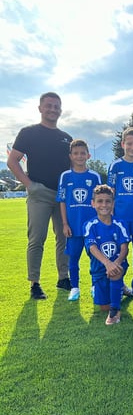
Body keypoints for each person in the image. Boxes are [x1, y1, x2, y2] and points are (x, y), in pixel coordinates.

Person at [7, 92, 73, 299]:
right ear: (40, 108)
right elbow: (12, 161)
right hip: (39, 193)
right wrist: (29, 185)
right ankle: (35, 283)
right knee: (37, 239)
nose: (53, 109)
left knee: (64, 237)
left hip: (62, 195)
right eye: (49, 105)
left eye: (56, 106)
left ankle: (63, 278)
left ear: (60, 110)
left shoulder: (67, 138)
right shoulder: (28, 133)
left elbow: (73, 166)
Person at [56, 139, 102, 301]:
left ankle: (95, 286)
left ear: (88, 155)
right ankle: (75, 287)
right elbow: (62, 201)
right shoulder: (65, 176)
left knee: (95, 258)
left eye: (83, 153)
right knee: (73, 258)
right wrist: (65, 224)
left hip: (91, 227)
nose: (79, 156)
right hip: (73, 226)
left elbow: (101, 200)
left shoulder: (94, 176)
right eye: (76, 153)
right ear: (70, 156)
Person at [83, 185, 130, 326]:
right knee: (104, 307)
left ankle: (115, 312)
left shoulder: (120, 223)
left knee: (116, 273)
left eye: (108, 201)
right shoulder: (89, 225)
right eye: (100, 201)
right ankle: (119, 288)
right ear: (93, 203)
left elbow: (124, 248)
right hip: (99, 268)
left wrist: (115, 263)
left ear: (113, 203)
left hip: (118, 264)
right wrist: (107, 264)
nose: (104, 205)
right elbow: (92, 247)